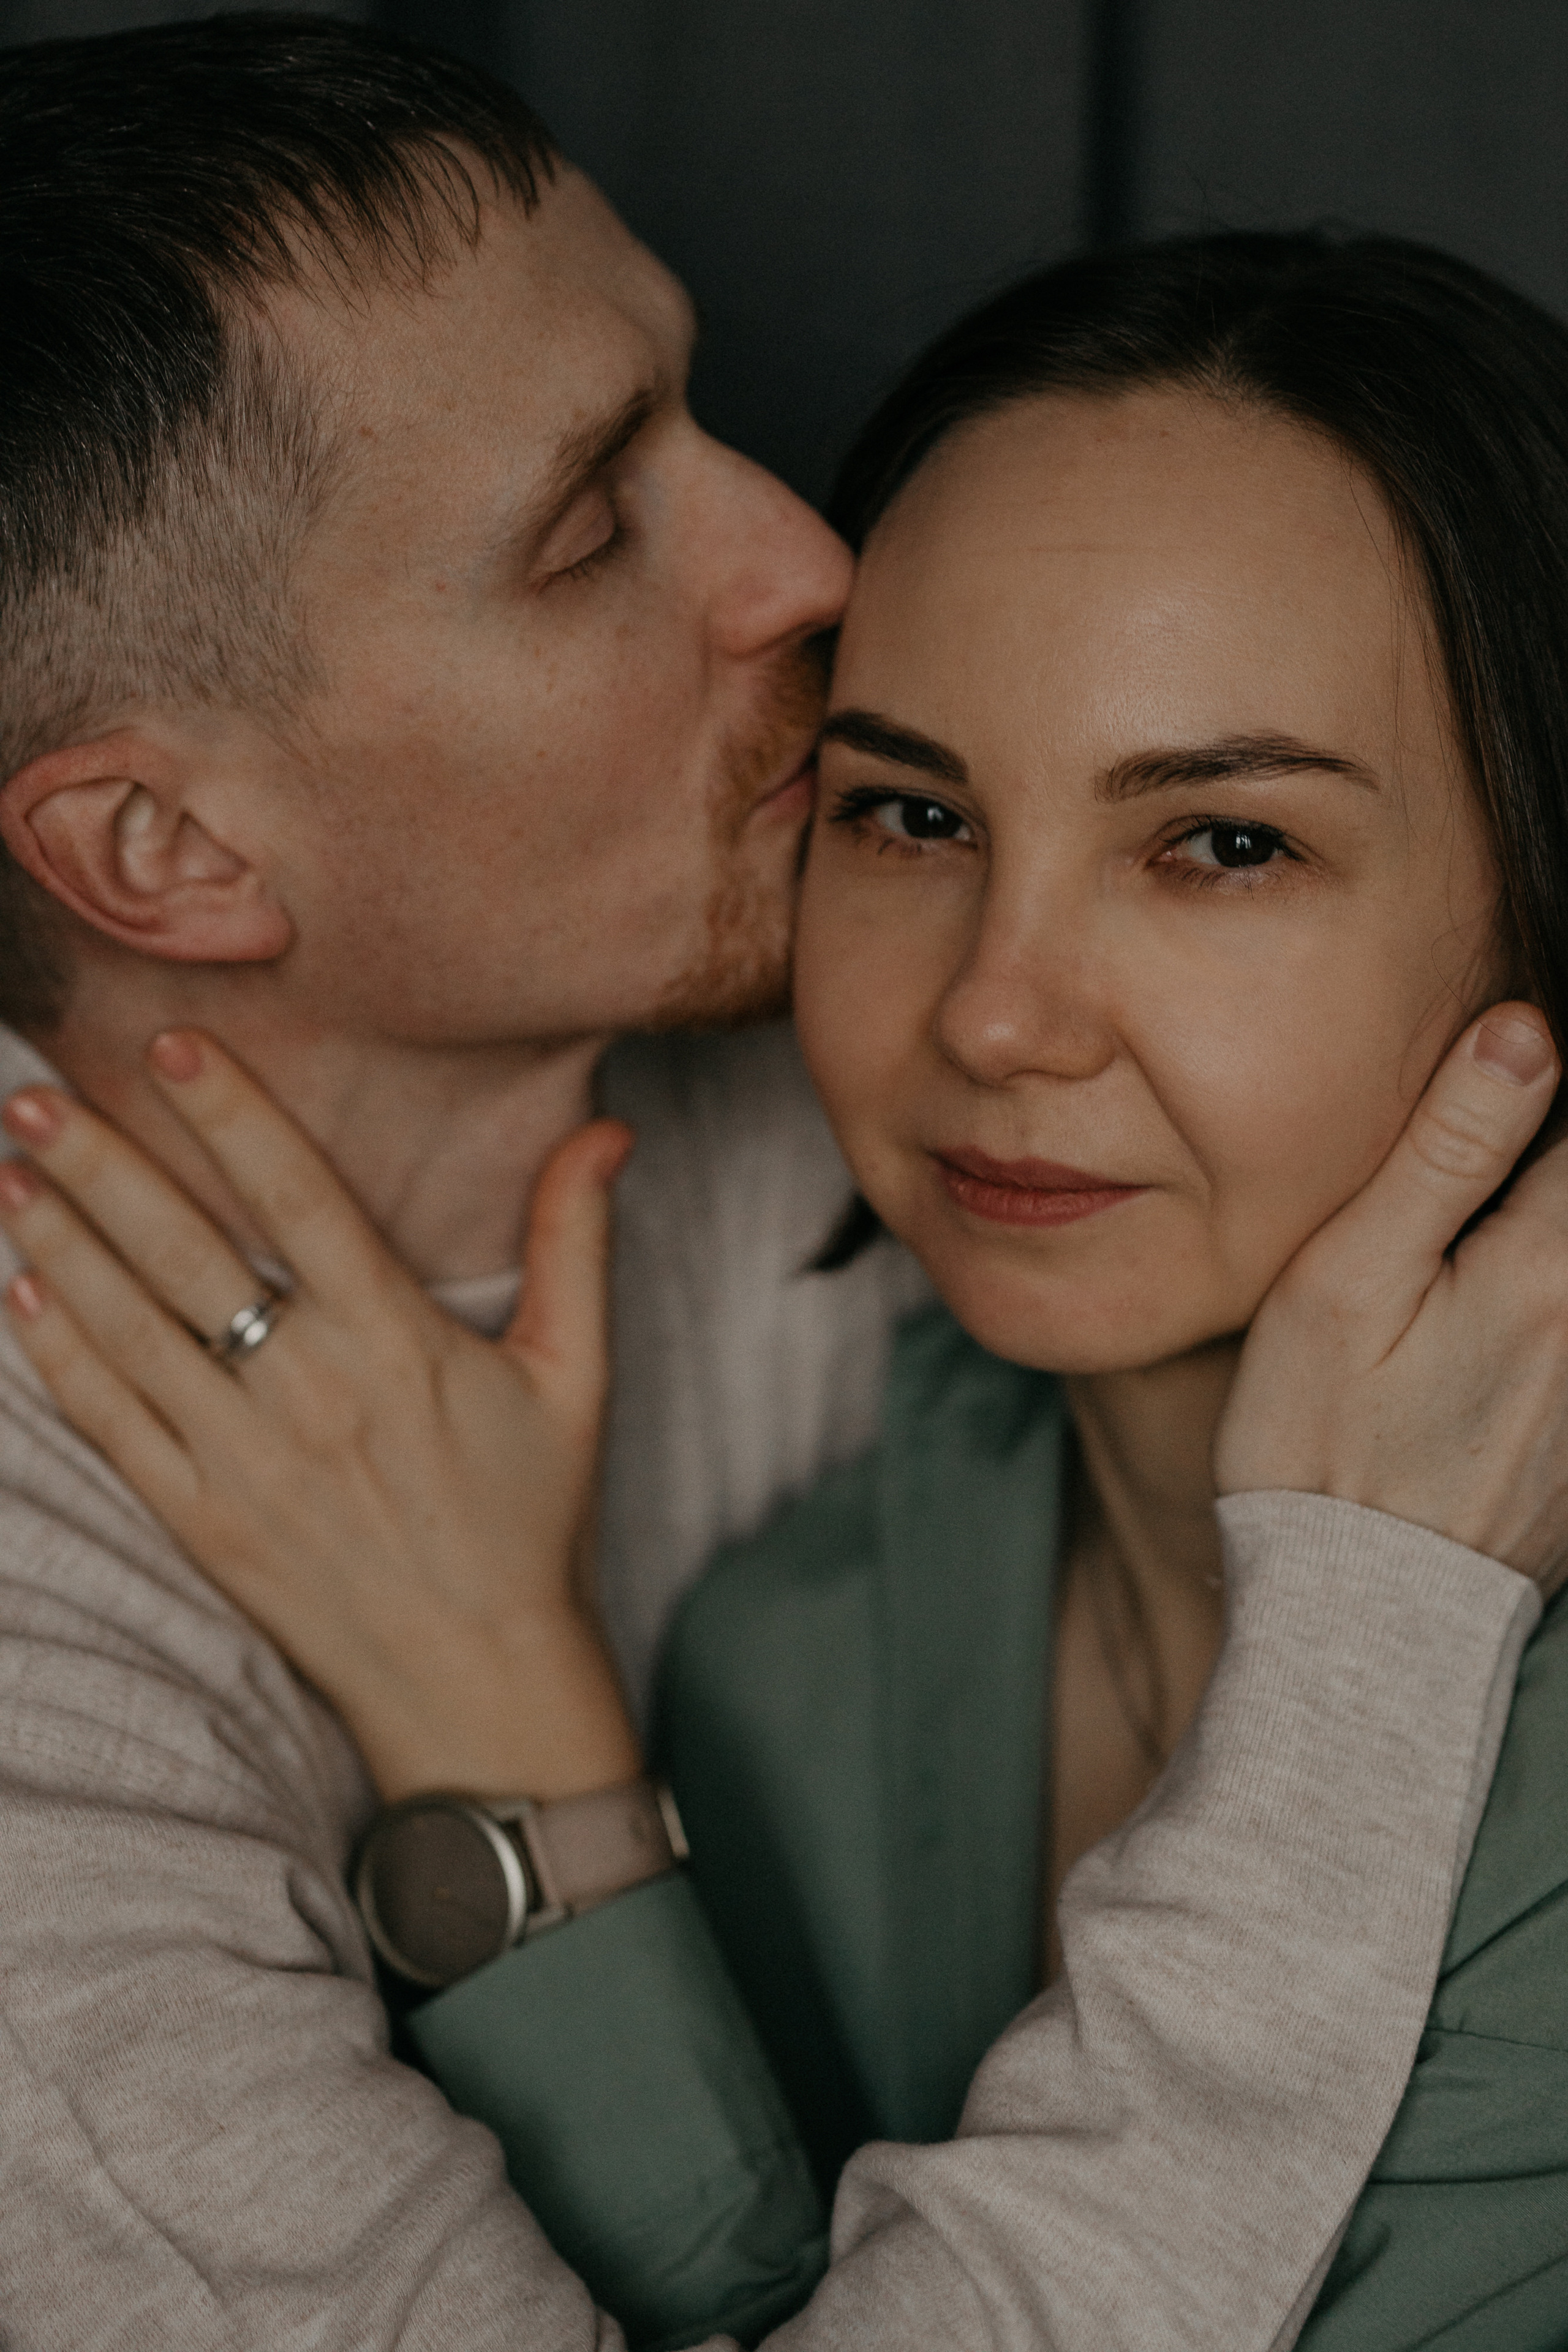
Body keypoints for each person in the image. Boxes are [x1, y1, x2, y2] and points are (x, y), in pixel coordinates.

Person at [2, 135, 1566, 2352]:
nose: (996, 1017)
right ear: (159, 845)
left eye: (1223, 843)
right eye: (908, 811)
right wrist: (528, 1739)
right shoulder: (780, 1656)